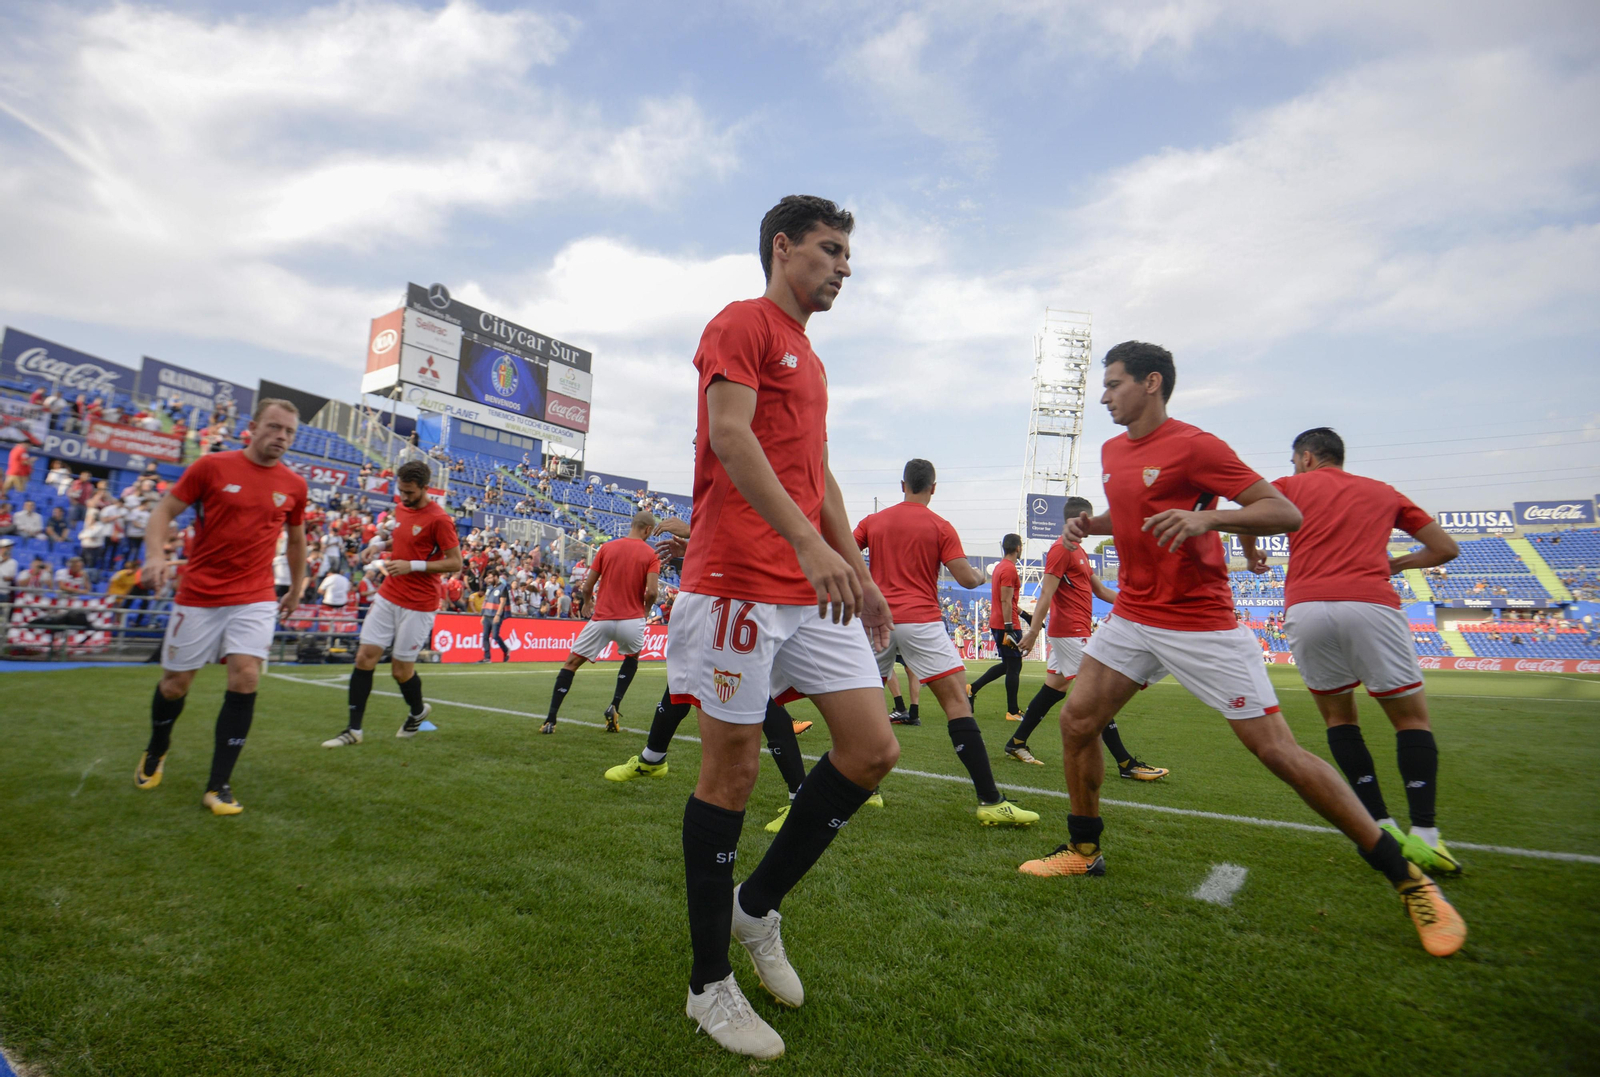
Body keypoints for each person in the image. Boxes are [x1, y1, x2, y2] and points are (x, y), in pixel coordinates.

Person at [1015, 341, 1465, 958]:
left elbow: (1284, 512)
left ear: (1152, 383)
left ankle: (1409, 879)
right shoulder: (1113, 450)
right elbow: (1136, 515)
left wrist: (1209, 520)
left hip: (1200, 621)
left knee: (1276, 751)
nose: (1104, 396)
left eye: (1114, 384)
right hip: (1135, 614)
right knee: (1077, 721)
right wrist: (1090, 526)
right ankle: (1083, 850)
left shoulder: (1198, 446)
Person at [665, 195, 898, 1058]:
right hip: (738, 583)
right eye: (831, 250)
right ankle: (708, 985)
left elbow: (819, 474)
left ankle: (754, 908)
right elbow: (730, 437)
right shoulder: (742, 323)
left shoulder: (811, 355)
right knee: (730, 774)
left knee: (871, 748)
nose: (844, 267)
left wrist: (859, 572)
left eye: (848, 255)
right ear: (783, 246)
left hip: (808, 588)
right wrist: (807, 542)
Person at [1247, 427, 1463, 875]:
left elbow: (1247, 515)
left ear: (1307, 457)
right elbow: (1445, 548)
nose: (1293, 468)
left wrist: (1252, 557)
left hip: (1305, 607)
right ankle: (1426, 836)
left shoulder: (1288, 487)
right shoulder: (1383, 492)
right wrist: (1396, 563)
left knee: (1339, 718)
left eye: (1293, 461)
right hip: (1370, 602)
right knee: (1411, 720)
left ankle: (1380, 824)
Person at [133, 398, 308, 816]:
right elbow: (163, 510)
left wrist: (296, 588)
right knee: (175, 685)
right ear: (253, 426)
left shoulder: (294, 485)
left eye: (289, 431)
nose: (281, 436)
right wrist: (155, 555)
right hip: (200, 593)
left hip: (256, 595)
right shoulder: (211, 466)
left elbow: (297, 540)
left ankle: (219, 785)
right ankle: (157, 748)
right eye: (274, 427)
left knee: (246, 677)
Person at [852, 458, 1037, 825]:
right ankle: (990, 800)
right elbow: (966, 579)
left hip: (876, 622)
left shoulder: (873, 521)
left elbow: (842, 549)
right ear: (933, 488)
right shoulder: (940, 526)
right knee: (956, 702)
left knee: (863, 706)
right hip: (920, 621)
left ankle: (865, 790)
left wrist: (867, 587)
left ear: (902, 484)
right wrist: (981, 575)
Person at [1009, 496, 1168, 780]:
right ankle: (1126, 764)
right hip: (1069, 632)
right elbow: (1046, 592)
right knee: (1097, 697)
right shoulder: (1061, 549)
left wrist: (1141, 605)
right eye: (1088, 521)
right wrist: (1032, 631)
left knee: (1053, 690)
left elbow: (1101, 591)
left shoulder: (1078, 550)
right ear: (1078, 519)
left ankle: (1016, 742)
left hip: (1075, 631)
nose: (1091, 526)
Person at [323, 460, 461, 748]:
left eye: (410, 492)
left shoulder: (440, 519)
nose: (404, 497)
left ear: (425, 488)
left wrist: (412, 565)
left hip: (419, 603)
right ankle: (353, 730)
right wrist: (379, 546)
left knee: (400, 671)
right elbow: (402, 540)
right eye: (401, 490)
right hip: (389, 594)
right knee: (364, 657)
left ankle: (417, 712)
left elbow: (455, 562)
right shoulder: (401, 508)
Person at [539, 510, 661, 734]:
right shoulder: (651, 554)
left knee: (571, 664)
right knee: (632, 658)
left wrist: (587, 603)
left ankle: (550, 720)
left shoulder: (607, 548)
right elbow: (652, 592)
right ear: (648, 529)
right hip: (631, 620)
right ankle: (615, 705)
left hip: (603, 618)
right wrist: (645, 611)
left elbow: (587, 586)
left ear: (632, 525)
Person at [967, 534, 1025, 719]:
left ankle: (972, 688)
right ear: (1018, 548)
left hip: (1000, 622)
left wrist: (1026, 615)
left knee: (1008, 664)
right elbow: (1006, 600)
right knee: (1014, 665)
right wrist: (1009, 628)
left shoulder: (1001, 567)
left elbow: (1009, 601)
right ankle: (1012, 711)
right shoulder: (1009, 569)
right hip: (1006, 624)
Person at [478, 568, 512, 663]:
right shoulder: (489, 587)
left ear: (496, 577)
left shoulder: (502, 588)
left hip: (496, 615)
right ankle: (487, 657)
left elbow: (502, 602)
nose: (489, 580)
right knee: (485, 636)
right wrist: (483, 615)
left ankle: (506, 650)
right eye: (488, 578)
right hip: (487, 615)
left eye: (490, 578)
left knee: (495, 636)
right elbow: (486, 601)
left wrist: (498, 615)